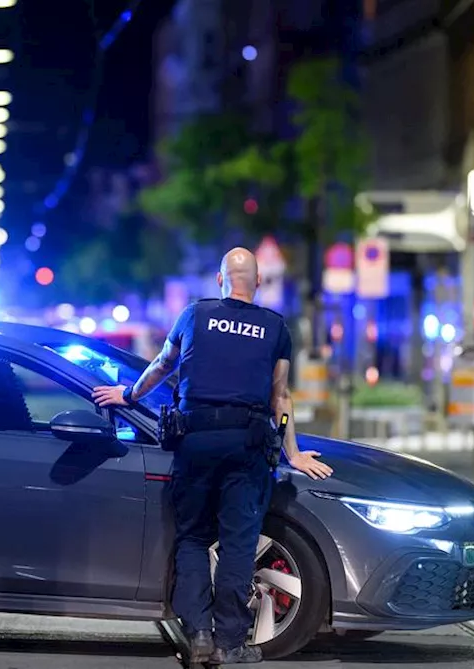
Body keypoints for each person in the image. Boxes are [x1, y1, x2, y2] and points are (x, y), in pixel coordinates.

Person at [93, 247, 332, 665]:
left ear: (220, 280)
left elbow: (163, 365)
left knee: (193, 537)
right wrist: (292, 453)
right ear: (258, 283)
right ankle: (231, 642)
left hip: (197, 441)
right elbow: (280, 397)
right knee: (239, 544)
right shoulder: (275, 327)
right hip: (247, 446)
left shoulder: (194, 316)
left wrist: (127, 394)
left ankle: (199, 634)